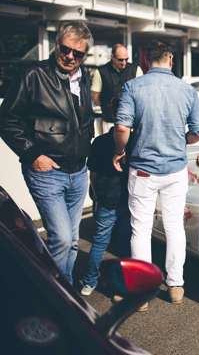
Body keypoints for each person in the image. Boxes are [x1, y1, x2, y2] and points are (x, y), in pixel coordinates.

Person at [113, 41, 199, 311]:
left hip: (143, 168)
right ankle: (175, 285)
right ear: (171, 60)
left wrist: (119, 151)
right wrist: (180, 140)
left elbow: (122, 127)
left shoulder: (133, 86)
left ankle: (141, 292)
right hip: (175, 169)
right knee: (174, 225)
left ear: (144, 59)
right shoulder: (186, 90)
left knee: (140, 228)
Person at [0, 22, 94, 285]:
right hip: (47, 172)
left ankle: (68, 294)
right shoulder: (34, 74)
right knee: (62, 238)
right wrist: (32, 155)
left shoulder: (83, 77)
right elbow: (7, 120)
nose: (71, 57)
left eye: (78, 54)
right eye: (66, 50)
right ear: (57, 46)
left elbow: (84, 122)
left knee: (72, 240)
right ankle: (56, 294)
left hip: (78, 171)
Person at [79, 127, 131, 296]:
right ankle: (123, 282)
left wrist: (96, 196)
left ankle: (89, 282)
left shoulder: (100, 141)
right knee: (125, 244)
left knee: (100, 241)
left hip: (106, 199)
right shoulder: (132, 141)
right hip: (126, 200)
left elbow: (93, 174)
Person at [91, 44, 143, 124]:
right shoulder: (100, 72)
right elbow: (95, 97)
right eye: (120, 60)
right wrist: (107, 109)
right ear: (112, 57)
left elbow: (140, 95)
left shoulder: (136, 70)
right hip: (108, 121)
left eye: (126, 59)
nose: (124, 63)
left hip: (130, 120)